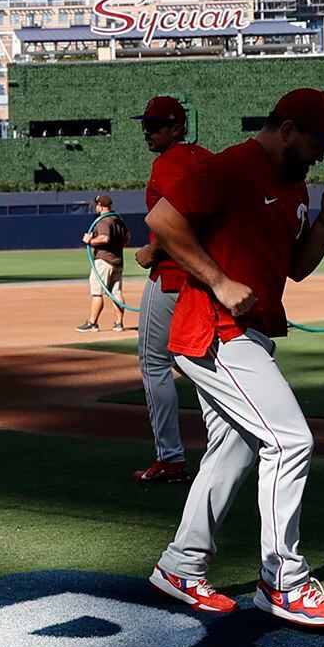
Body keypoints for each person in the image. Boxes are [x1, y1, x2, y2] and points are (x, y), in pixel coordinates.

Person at [143, 89, 324, 629]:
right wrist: (217, 279)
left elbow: (297, 269)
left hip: (252, 332)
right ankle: (283, 581)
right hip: (216, 331)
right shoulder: (233, 167)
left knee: (233, 452)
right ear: (286, 129)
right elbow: (163, 220)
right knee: (291, 440)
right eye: (315, 143)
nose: (318, 155)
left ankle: (181, 566)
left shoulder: (293, 183)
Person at [129, 97, 212, 484]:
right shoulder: (207, 158)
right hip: (207, 277)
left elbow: (182, 211)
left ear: (177, 127)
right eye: (146, 125)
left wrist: (153, 248)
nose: (148, 131)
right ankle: (222, 450)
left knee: (154, 364)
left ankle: (171, 458)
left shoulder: (168, 163)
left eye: (157, 125)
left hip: (171, 275)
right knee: (208, 364)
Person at [77, 194, 130, 333]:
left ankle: (93, 323)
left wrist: (90, 241)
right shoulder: (118, 220)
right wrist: (117, 247)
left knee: (97, 292)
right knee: (116, 292)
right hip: (118, 261)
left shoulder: (103, 221)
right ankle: (119, 324)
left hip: (104, 260)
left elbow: (104, 238)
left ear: (100, 206)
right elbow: (127, 238)